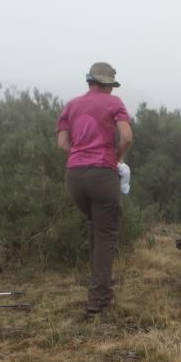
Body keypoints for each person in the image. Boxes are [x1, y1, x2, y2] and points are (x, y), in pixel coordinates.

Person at [57, 62, 133, 316]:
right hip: (102, 173)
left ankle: (97, 284)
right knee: (105, 236)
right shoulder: (114, 103)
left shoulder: (71, 105)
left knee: (95, 227)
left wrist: (80, 154)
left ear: (90, 82)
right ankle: (98, 299)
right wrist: (117, 157)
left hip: (75, 176)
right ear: (108, 85)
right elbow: (127, 136)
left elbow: (62, 143)